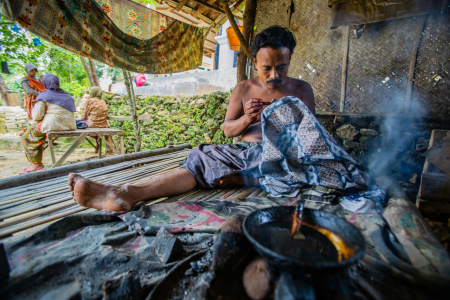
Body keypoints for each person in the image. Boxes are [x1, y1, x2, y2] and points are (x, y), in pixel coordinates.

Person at [68, 26, 381, 213]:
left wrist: (281, 121)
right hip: (246, 152)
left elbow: (310, 139)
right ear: (255, 62)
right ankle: (126, 193)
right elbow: (227, 130)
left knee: (297, 159)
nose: (273, 76)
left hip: (284, 158)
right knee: (200, 156)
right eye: (266, 68)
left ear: (288, 62)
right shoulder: (244, 88)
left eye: (281, 68)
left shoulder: (301, 89)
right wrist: (246, 120)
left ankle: (247, 176)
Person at [20, 74, 76, 174]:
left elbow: (37, 116)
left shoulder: (44, 96)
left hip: (52, 125)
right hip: (70, 126)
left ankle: (37, 164)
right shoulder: (67, 96)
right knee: (35, 130)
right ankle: (36, 162)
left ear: (45, 83)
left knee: (27, 135)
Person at [80, 86, 114, 155]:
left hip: (92, 125)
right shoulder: (103, 101)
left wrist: (78, 120)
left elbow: (84, 116)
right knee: (97, 124)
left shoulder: (89, 101)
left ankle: (96, 142)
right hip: (103, 125)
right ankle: (102, 145)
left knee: (84, 123)